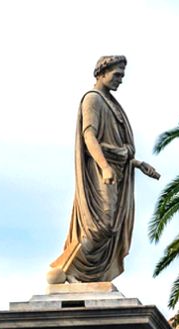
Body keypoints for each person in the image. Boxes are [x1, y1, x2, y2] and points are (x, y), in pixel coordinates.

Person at [48, 55, 159, 284]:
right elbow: (89, 135)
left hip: (117, 172)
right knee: (101, 225)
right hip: (100, 173)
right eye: (117, 75)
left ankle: (82, 275)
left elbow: (117, 145)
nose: (120, 80)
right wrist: (106, 166)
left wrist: (137, 163)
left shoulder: (111, 103)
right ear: (102, 72)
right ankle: (65, 269)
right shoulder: (93, 99)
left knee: (110, 228)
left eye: (122, 76)